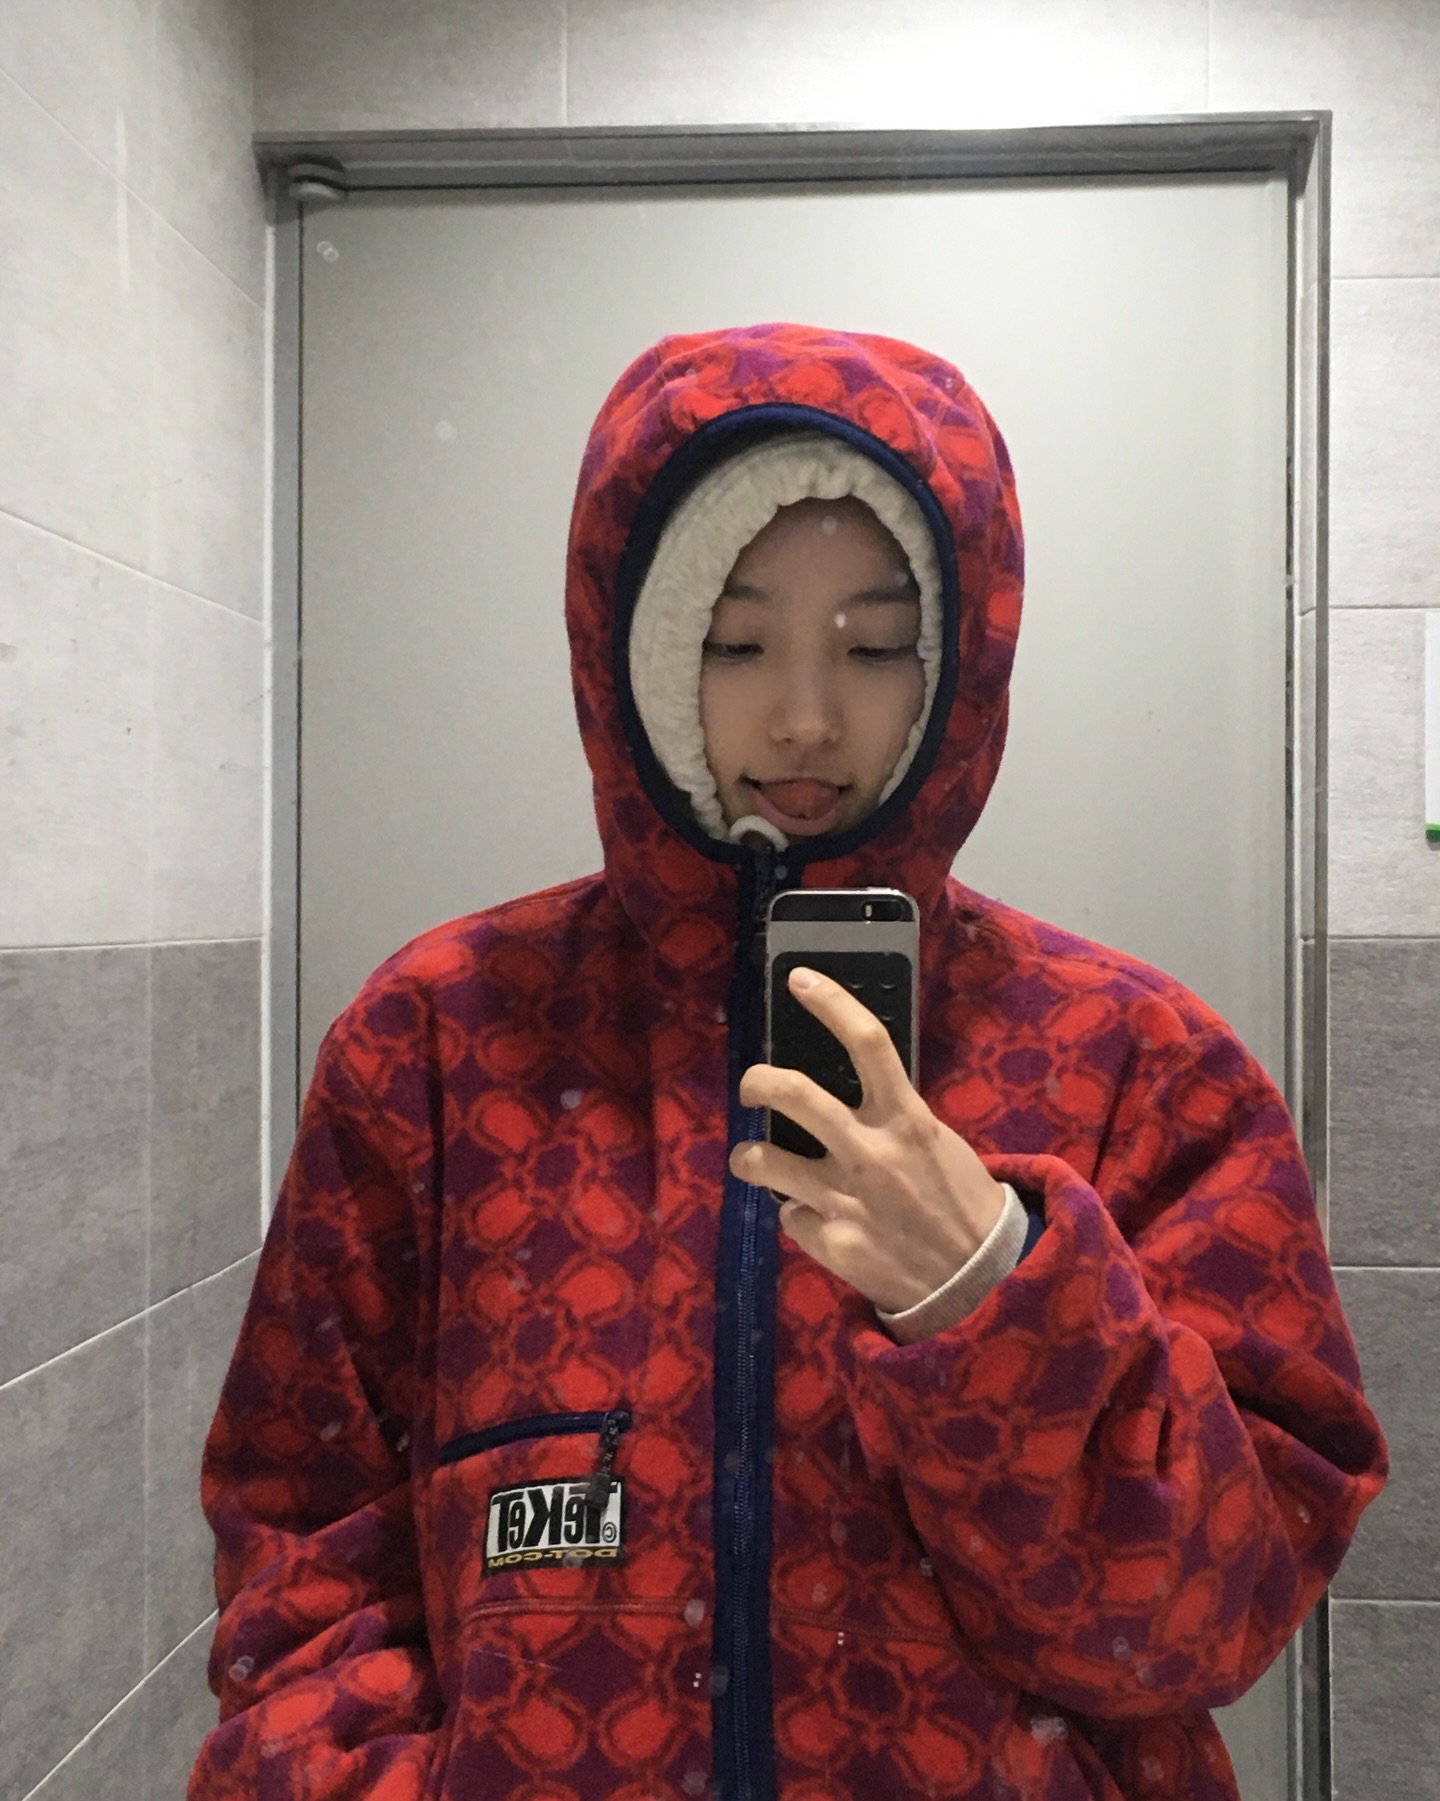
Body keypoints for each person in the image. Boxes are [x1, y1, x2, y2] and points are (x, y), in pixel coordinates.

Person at [188, 322, 1386, 1801]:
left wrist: (995, 1299)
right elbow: (303, 1554)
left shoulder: (1146, 1070)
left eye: (875, 647)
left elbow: (1211, 1619)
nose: (807, 715)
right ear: (630, 650)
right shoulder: (437, 1042)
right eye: (733, 640)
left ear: (958, 665)